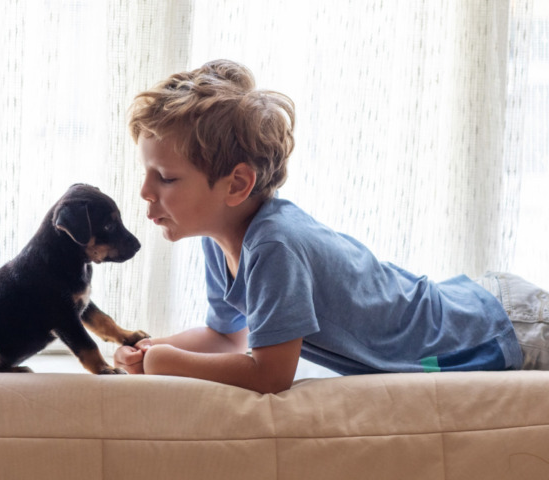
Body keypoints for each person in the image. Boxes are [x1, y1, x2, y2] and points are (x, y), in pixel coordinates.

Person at [114, 59, 549, 394]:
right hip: (484, 309)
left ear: (237, 184)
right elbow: (226, 336)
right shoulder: (222, 237)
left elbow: (270, 374)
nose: (144, 192)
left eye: (166, 178)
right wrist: (153, 350)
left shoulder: (274, 246)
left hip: (501, 325)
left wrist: (168, 363)